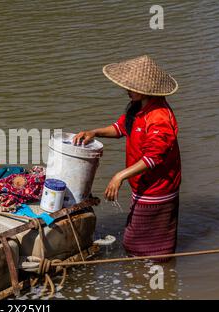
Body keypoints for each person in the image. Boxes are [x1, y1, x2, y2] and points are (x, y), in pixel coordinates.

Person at [73, 55, 181, 258]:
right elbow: (120, 128)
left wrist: (119, 176)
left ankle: (158, 279)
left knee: (141, 245)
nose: (127, 90)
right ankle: (152, 276)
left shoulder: (159, 118)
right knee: (138, 243)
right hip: (142, 185)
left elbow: (153, 158)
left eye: (132, 87)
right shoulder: (138, 108)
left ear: (146, 90)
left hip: (158, 189)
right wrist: (94, 132)